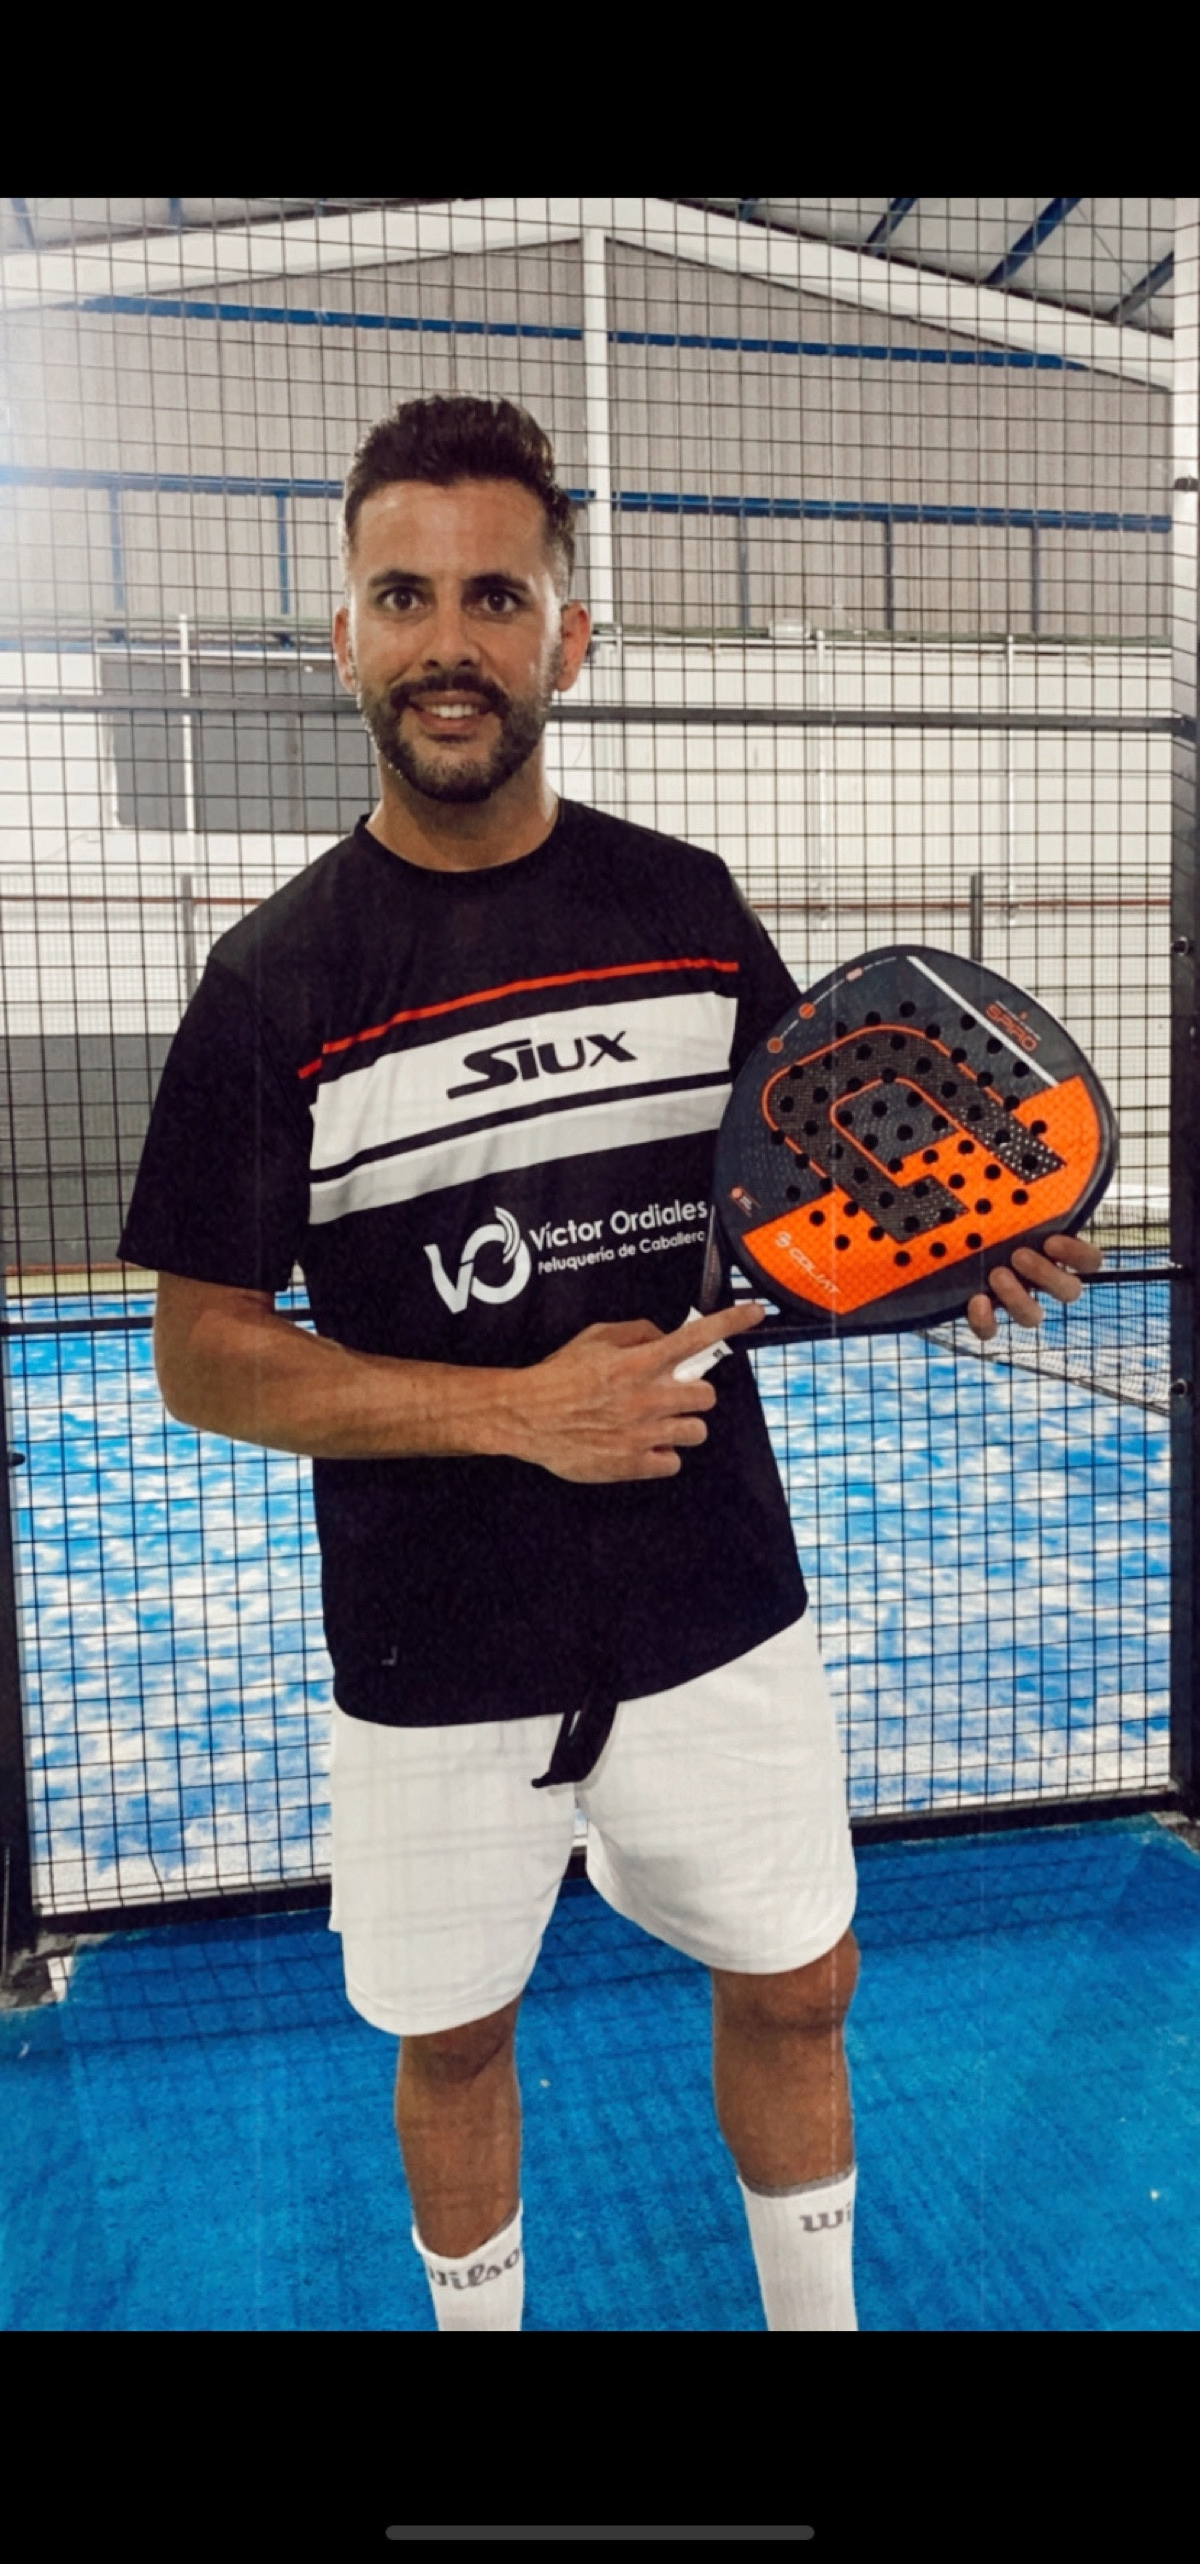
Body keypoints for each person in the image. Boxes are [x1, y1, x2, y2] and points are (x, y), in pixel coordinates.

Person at [118, 394, 1100, 2333]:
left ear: (569, 638)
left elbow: (831, 1186)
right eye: (405, 596)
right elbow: (205, 1359)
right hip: (430, 1635)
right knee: (458, 2036)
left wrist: (954, 1249)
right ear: (343, 637)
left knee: (802, 1980)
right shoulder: (271, 983)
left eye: (496, 596)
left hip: (711, 1593)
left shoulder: (683, 910)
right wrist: (515, 1414)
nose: (449, 641)